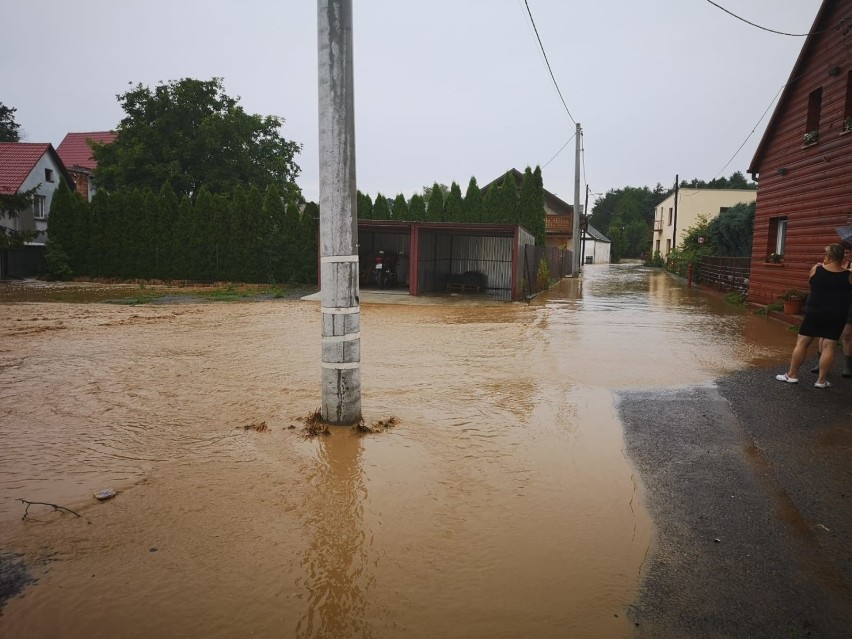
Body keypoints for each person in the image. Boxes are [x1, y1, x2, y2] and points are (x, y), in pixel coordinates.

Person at [776, 243, 852, 388]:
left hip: (815, 311)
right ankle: (821, 381)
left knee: (803, 342)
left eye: (825, 255)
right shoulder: (849, 275)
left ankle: (792, 375)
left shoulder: (816, 269)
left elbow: (812, 282)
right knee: (830, 345)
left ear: (829, 256)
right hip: (837, 314)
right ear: (842, 257)